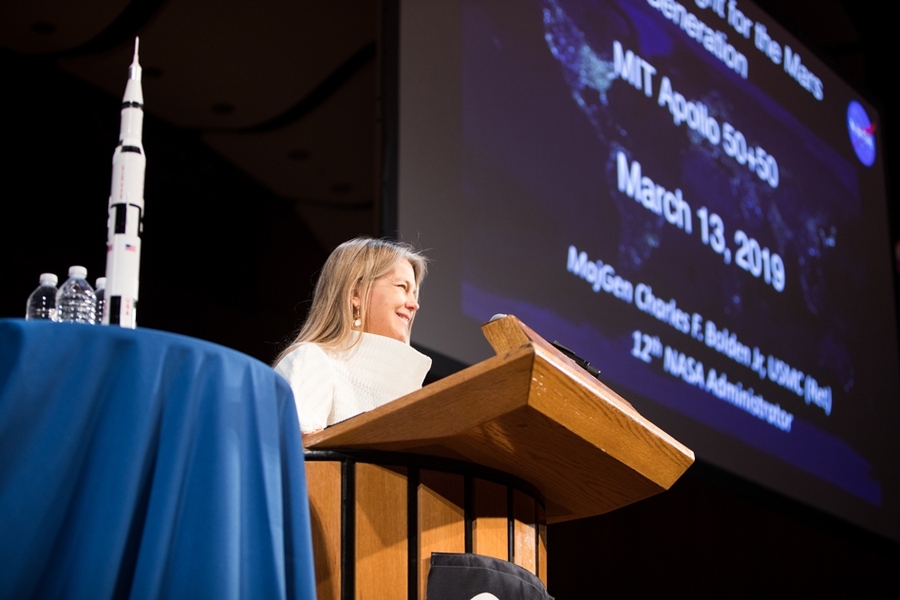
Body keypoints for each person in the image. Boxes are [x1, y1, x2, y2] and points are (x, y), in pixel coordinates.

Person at [273, 237, 432, 434]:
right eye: (402, 287)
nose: (414, 304)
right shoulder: (313, 360)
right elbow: (295, 452)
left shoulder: (408, 388)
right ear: (355, 293)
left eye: (414, 293)